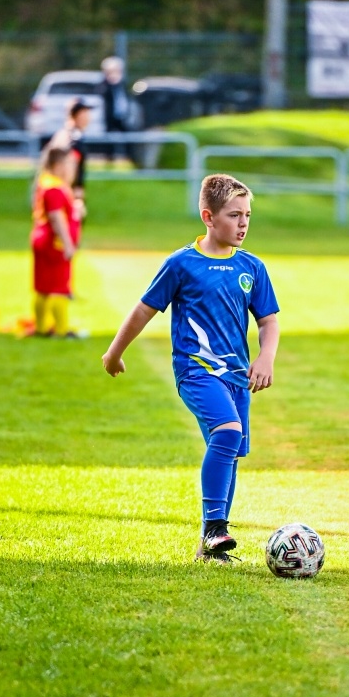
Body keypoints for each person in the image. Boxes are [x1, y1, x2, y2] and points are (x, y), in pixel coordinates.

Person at [102, 173, 280, 562]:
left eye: (248, 215)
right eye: (234, 215)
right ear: (208, 216)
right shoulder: (182, 264)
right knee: (228, 432)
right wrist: (114, 353)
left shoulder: (252, 266)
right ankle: (217, 528)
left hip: (236, 377)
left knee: (230, 452)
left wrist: (265, 357)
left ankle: (209, 545)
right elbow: (143, 310)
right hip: (196, 371)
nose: (244, 223)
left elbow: (268, 321)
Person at [31, 146, 84, 338]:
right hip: (55, 244)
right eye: (70, 164)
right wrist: (68, 243)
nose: (73, 169)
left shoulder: (47, 183)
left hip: (42, 240)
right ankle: (61, 331)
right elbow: (56, 217)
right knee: (59, 288)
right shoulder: (54, 188)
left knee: (43, 287)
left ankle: (41, 328)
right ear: (59, 165)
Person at [41, 97, 93, 205]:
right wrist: (77, 195)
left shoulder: (64, 134)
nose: (88, 117)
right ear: (77, 115)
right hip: (64, 193)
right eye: (85, 113)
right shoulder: (72, 138)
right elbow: (68, 168)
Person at [99, 55, 130, 162]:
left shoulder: (122, 84)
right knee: (108, 139)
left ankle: (129, 158)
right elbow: (102, 93)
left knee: (128, 137)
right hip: (110, 116)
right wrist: (110, 81)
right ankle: (109, 159)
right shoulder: (105, 85)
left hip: (122, 115)